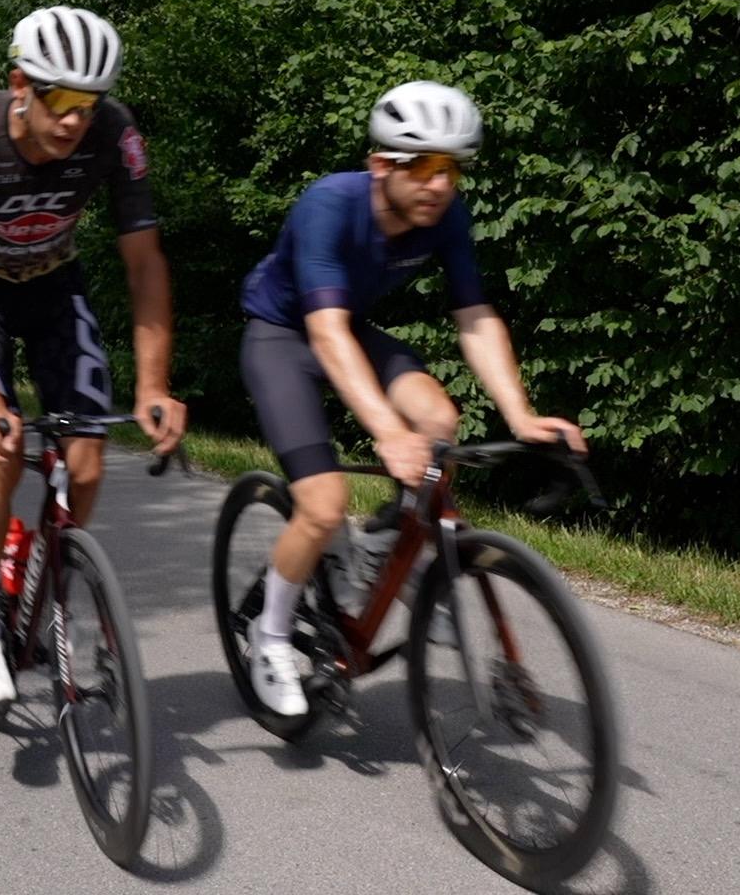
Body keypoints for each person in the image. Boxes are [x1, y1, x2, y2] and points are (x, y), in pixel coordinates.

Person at [236, 81, 585, 716]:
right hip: (284, 337)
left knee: (440, 421)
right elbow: (325, 330)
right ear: (379, 165)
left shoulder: (447, 216)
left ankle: (378, 546)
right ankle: (271, 635)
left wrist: (520, 414)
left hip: (350, 330)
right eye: (421, 165)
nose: (438, 184)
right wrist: (385, 431)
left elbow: (474, 315)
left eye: (450, 168)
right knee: (320, 505)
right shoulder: (329, 205)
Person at [0, 5, 187, 704]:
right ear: (20, 83)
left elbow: (144, 264)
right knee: (4, 454)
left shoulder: (115, 135)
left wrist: (155, 383)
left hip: (53, 283)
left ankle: (52, 559)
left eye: (90, 102)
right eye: (61, 99)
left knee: (89, 458)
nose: (76, 118)